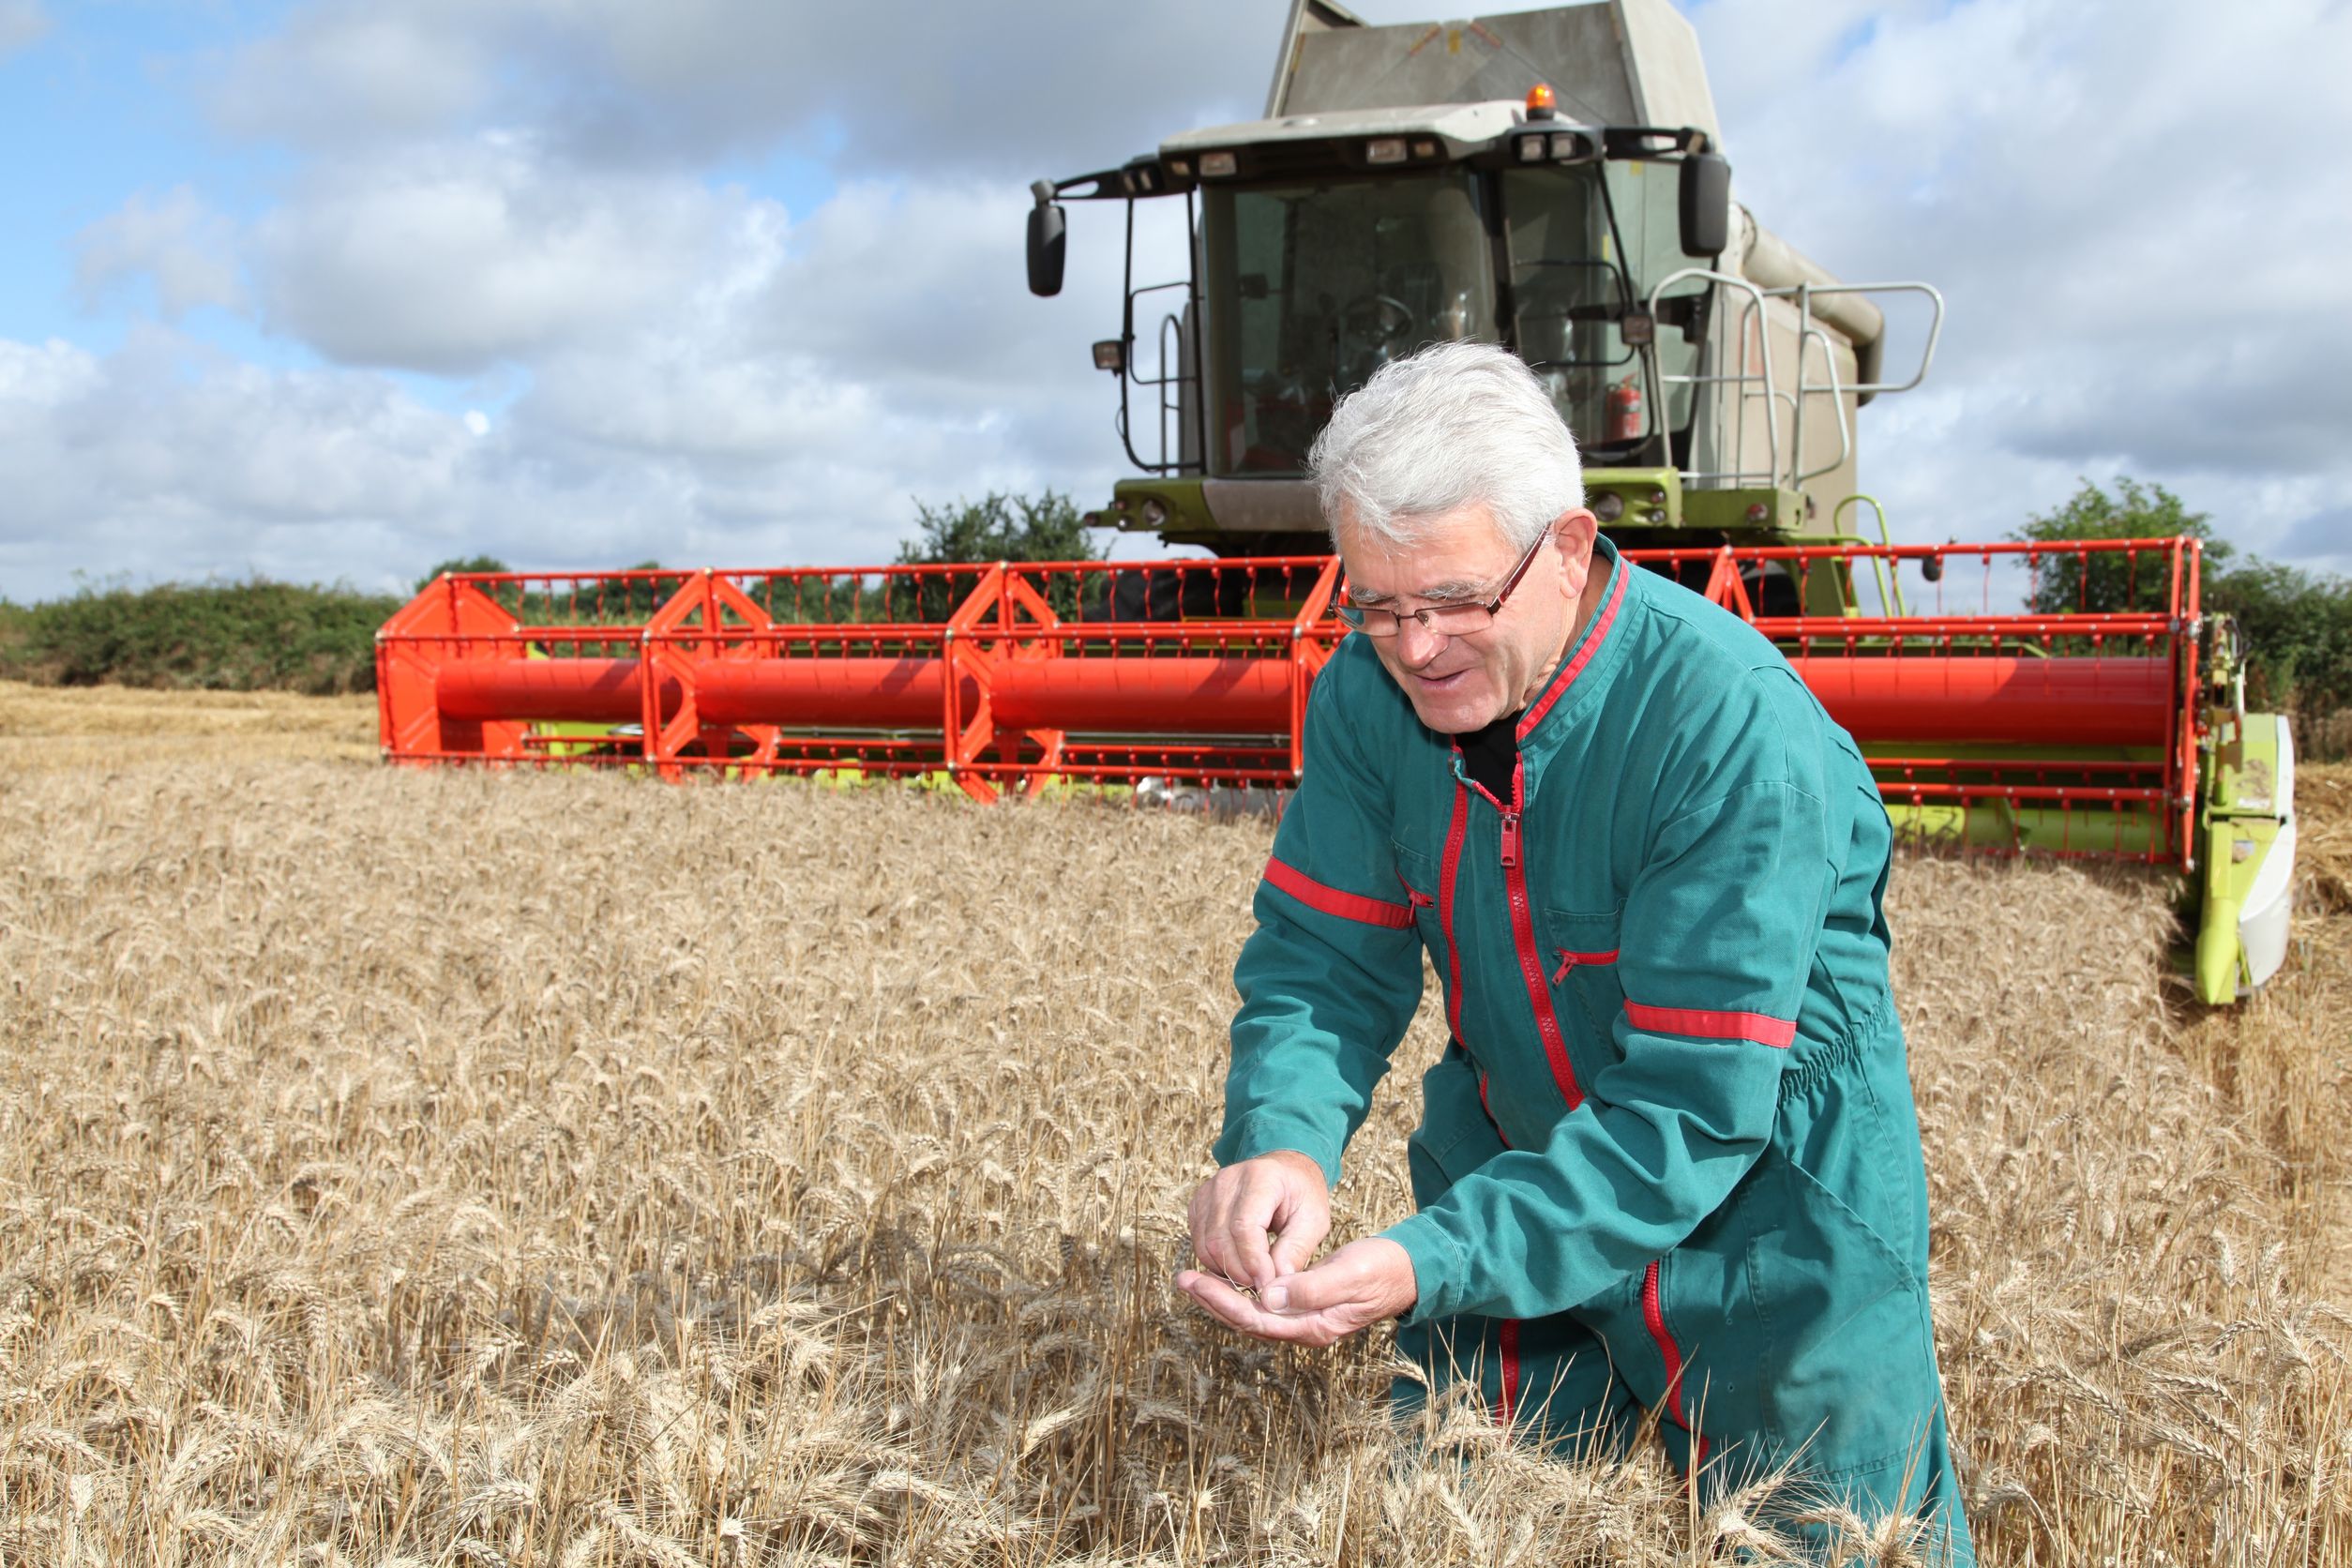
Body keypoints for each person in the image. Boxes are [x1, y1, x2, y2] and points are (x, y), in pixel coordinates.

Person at [1174, 341, 1973, 1562]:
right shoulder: (1362, 696)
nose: (1413, 647)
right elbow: (1324, 961)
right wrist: (1282, 1139)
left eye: (1452, 601)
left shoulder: (1727, 726)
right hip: (1510, 1148)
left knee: (1837, 1535)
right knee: (1462, 1523)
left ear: (1563, 547)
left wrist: (1427, 1258)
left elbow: (1693, 1109)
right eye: (1375, 604)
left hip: (1772, 1211)